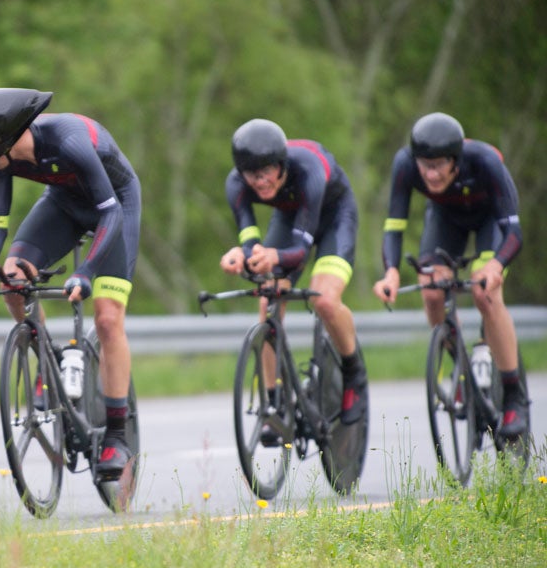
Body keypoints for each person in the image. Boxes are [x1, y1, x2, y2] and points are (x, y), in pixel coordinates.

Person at [0, 87, 142, 477]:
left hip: (116, 206)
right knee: (12, 279)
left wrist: (85, 272)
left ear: (2, 140)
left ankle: (117, 435)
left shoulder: (69, 140)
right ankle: (48, 360)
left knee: (106, 319)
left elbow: (110, 212)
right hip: (63, 205)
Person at [373, 112, 528, 438]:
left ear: (455, 160)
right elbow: (394, 226)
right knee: (431, 290)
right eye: (424, 165)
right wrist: (391, 272)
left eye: (439, 165)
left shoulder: (485, 161)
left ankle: (515, 395)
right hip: (446, 218)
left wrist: (495, 265)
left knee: (485, 293)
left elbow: (514, 233)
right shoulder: (405, 164)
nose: (430, 173)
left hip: (491, 221)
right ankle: (462, 368)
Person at [219, 119, 369, 440]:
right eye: (252, 174)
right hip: (291, 219)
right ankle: (275, 404)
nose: (260, 181)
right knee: (268, 300)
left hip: (334, 218)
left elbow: (300, 251)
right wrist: (241, 257)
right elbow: (251, 245)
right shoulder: (236, 184)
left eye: (267, 171)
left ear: (282, 164)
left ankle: (354, 372)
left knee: (324, 299)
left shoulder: (309, 169)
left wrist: (272, 256)